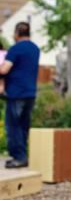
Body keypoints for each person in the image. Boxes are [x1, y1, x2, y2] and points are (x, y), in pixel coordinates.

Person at [0, 22, 40, 169]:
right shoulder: (35, 49)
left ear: (17, 33)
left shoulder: (15, 49)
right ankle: (23, 156)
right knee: (23, 126)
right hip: (30, 93)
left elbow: (4, 69)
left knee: (13, 126)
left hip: (16, 93)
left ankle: (19, 157)